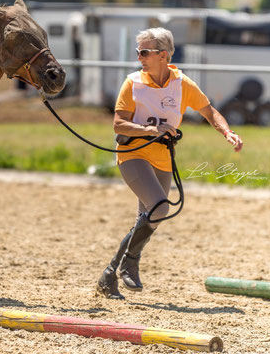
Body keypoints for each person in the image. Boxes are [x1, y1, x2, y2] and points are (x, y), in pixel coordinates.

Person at [96, 27, 243, 300]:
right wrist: (151, 130)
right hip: (133, 154)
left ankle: (109, 274)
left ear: (163, 55)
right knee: (160, 207)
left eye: (144, 52)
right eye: (138, 52)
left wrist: (227, 132)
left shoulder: (183, 83)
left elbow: (209, 111)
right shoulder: (132, 83)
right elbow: (119, 123)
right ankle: (130, 263)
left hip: (162, 157)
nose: (139, 57)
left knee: (150, 217)